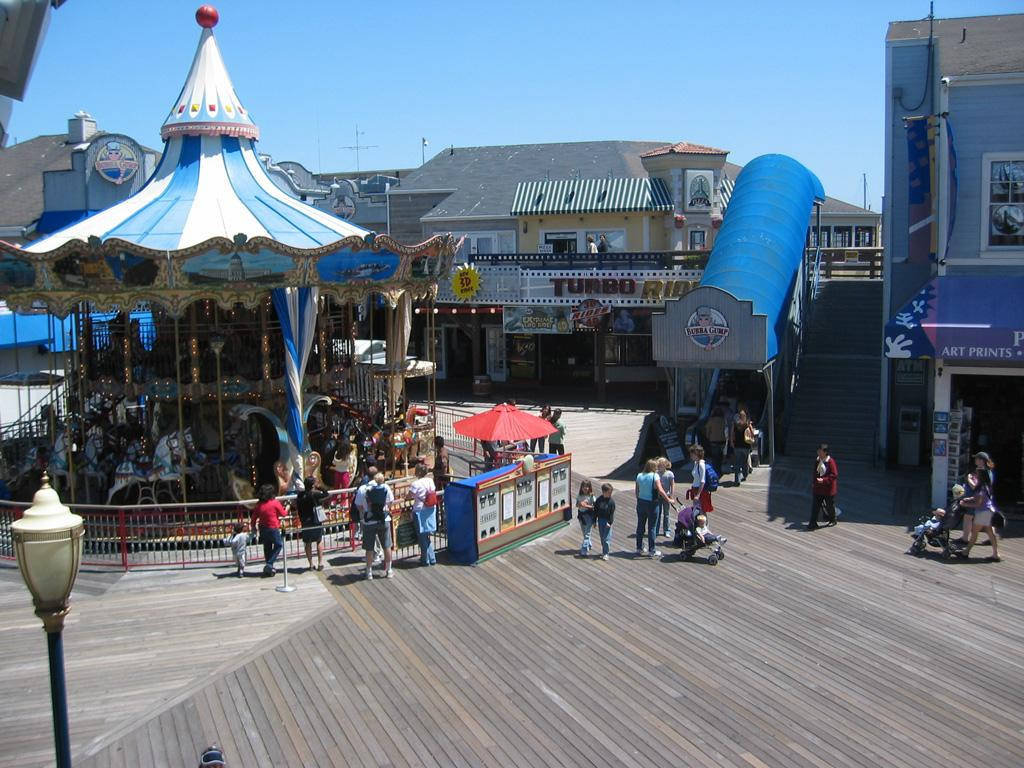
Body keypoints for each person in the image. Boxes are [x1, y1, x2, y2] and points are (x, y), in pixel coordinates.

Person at [957, 467, 1001, 562]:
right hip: (988, 511)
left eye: (977, 474)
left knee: (974, 533)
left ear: (981, 476)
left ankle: (966, 552)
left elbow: (978, 503)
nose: (975, 475)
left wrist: (965, 504)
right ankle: (995, 554)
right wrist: (969, 499)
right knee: (990, 532)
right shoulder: (986, 486)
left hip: (983, 513)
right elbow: (979, 497)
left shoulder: (981, 487)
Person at [958, 452, 994, 546]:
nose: (975, 460)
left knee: (968, 517)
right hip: (985, 500)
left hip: (978, 499)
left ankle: (965, 539)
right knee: (987, 522)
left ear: (981, 460)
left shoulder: (983, 472)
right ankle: (992, 540)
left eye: (976, 458)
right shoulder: (988, 471)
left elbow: (976, 487)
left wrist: (969, 478)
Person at [363, 472, 395, 579]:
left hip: (370, 520)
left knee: (369, 548)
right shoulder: (386, 488)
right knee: (387, 546)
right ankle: (389, 570)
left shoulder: (368, 490)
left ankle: (369, 572)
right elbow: (391, 502)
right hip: (383, 519)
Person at [250, 483, 286, 576]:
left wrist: (253, 526)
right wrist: (288, 507)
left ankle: (269, 568)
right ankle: (269, 564)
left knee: (267, 547)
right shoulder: (275, 502)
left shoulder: (259, 504)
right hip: (273, 527)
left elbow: (254, 517)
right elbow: (283, 513)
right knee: (278, 545)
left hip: (263, 528)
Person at [407, 463, 438, 566]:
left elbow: (409, 496)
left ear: (419, 472)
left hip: (420, 510)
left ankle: (425, 559)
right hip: (430, 509)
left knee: (421, 536)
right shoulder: (430, 480)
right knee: (426, 535)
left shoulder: (415, 484)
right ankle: (432, 557)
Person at [296, 476, 329, 571]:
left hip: (305, 521)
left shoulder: (300, 495)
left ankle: (310, 564)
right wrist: (320, 487)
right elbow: (327, 494)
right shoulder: (315, 494)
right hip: (315, 520)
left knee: (307, 543)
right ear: (313, 485)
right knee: (319, 540)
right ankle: (320, 563)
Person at [355, 466, 385, 566]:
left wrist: (363, 514)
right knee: (380, 537)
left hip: (368, 517)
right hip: (381, 516)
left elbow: (358, 505)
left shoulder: (363, 488)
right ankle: (381, 555)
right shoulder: (384, 487)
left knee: (369, 541)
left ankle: (374, 557)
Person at [808, 444, 838, 530]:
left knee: (829, 506)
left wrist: (823, 480)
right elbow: (815, 473)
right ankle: (812, 523)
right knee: (815, 506)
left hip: (828, 489)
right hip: (818, 488)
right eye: (818, 451)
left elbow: (834, 475)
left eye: (820, 451)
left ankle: (833, 519)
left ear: (825, 452)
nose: (818, 453)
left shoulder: (830, 461)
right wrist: (814, 482)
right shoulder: (817, 460)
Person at [635, 459, 660, 558]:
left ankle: (639, 548)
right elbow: (659, 489)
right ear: (653, 467)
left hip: (641, 502)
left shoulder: (639, 475)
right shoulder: (655, 476)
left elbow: (637, 491)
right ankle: (652, 550)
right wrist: (668, 499)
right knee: (652, 527)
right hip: (652, 503)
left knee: (640, 526)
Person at [687, 444, 714, 514]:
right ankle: (699, 524)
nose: (691, 456)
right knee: (697, 511)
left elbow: (702, 481)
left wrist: (698, 495)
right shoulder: (696, 463)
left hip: (700, 491)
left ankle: (704, 525)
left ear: (697, 454)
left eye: (692, 454)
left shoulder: (701, 464)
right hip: (695, 489)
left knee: (701, 511)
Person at [728, 410, 752, 485]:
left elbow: (731, 434)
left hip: (737, 446)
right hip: (746, 446)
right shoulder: (748, 424)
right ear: (745, 417)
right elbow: (752, 434)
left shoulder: (735, 424)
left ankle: (736, 480)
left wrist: (731, 442)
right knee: (744, 462)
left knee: (737, 463)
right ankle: (745, 475)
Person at [593, 483, 615, 560]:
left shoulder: (611, 502)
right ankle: (604, 551)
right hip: (600, 520)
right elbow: (595, 511)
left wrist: (610, 522)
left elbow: (612, 514)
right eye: (609, 492)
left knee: (606, 538)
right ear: (604, 492)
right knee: (602, 537)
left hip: (607, 521)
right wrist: (594, 521)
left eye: (611, 492)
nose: (610, 494)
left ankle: (606, 553)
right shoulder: (599, 500)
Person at [654, 457, 675, 538]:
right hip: (658, 496)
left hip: (667, 495)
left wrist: (672, 496)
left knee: (666, 514)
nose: (659, 467)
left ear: (665, 465)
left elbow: (672, 485)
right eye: (658, 465)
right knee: (657, 514)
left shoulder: (670, 474)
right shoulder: (656, 473)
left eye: (661, 465)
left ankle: (667, 530)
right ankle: (656, 530)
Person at [704, 407, 727, 474]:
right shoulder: (723, 420)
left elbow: (707, 429)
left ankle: (715, 470)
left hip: (713, 439)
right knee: (720, 457)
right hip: (722, 439)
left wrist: (708, 437)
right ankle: (719, 470)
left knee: (714, 457)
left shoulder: (711, 420)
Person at [576, 479, 596, 557]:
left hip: (589, 515)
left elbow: (595, 507)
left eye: (587, 487)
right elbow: (577, 505)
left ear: (589, 488)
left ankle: (584, 549)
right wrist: (580, 504)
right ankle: (589, 544)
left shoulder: (591, 496)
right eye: (584, 487)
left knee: (587, 534)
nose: (585, 488)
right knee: (584, 532)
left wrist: (586, 505)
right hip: (581, 515)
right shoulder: (579, 495)